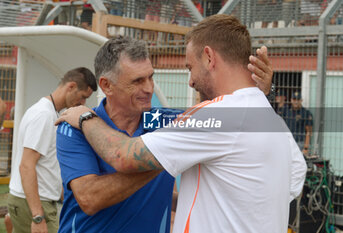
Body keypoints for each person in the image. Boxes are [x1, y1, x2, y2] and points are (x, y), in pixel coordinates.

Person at [57, 15, 306, 233]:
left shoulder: (164, 121)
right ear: (106, 86)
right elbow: (90, 198)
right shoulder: (72, 128)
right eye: (137, 80)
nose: (149, 88)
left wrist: (172, 156)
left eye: (151, 77)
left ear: (208, 57)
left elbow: (125, 154)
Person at [8, 67, 97, 233]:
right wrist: (37, 216)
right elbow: (26, 166)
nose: (83, 103)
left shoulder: (50, 113)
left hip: (33, 201)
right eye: (83, 96)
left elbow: (48, 166)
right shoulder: (43, 115)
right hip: (34, 204)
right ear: (70, 87)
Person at [285, 91, 313, 156]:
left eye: (298, 99)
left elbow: (309, 132)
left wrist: (306, 148)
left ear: (301, 100)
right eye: (294, 99)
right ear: (291, 100)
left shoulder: (306, 113)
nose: (296, 102)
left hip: (300, 143)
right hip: (287, 142)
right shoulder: (286, 112)